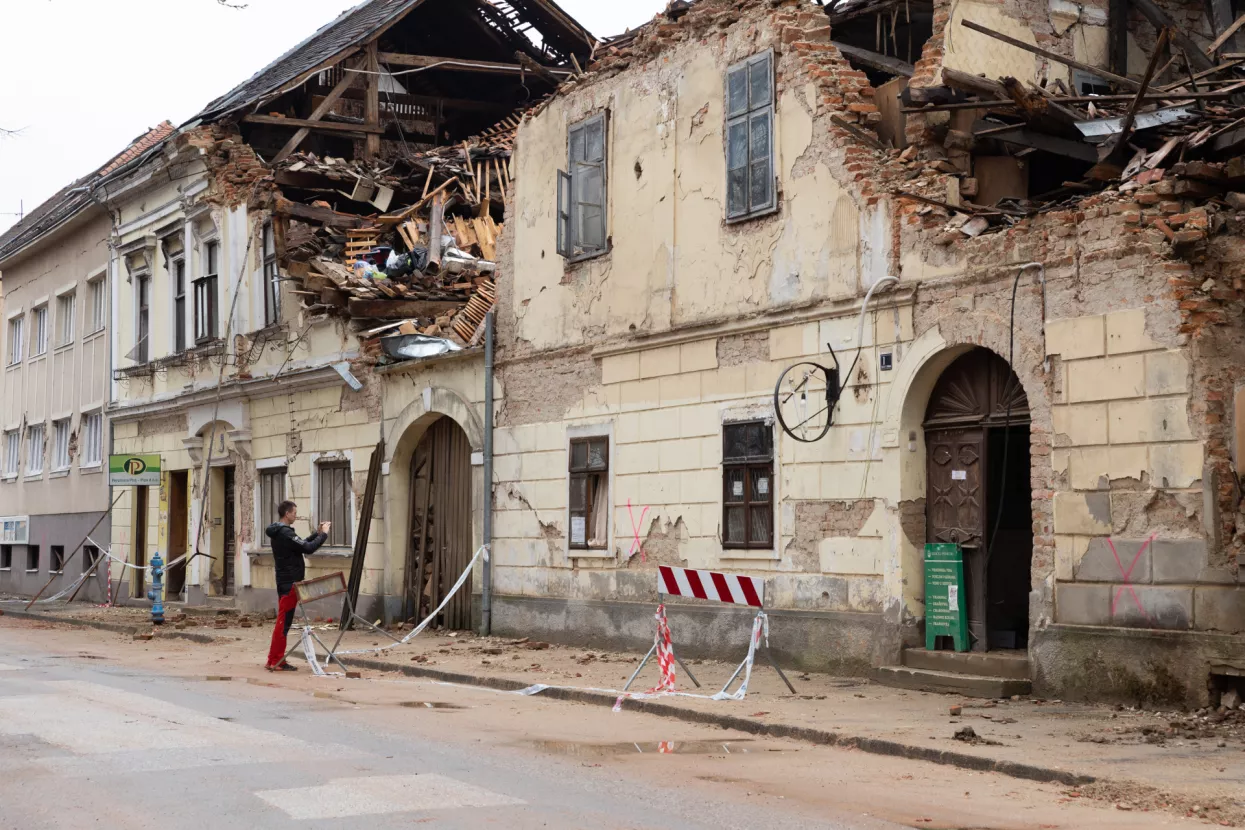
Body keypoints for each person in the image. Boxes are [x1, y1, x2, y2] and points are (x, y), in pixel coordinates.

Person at [264, 500, 330, 671]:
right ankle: (277, 661)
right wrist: (323, 535)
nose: (296, 515)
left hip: (285, 580)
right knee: (283, 623)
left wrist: (316, 534)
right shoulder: (285, 533)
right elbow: (307, 549)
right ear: (287, 514)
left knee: (283, 621)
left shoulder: (279, 532)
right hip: (290, 583)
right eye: (294, 513)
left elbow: (300, 545)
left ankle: (273, 659)